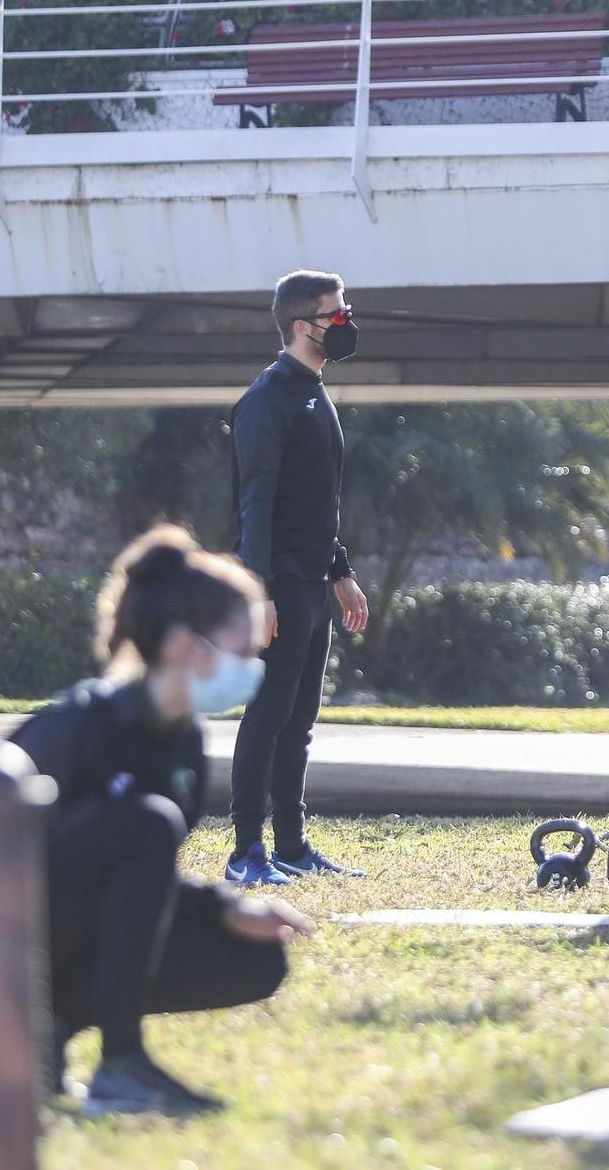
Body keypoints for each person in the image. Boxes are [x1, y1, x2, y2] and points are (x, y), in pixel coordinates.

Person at [0, 526, 313, 1116]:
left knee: (255, 957)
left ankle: (48, 1034)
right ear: (187, 646)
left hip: (65, 930)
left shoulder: (185, 745)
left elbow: (136, 884)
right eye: (242, 650)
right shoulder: (77, 727)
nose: (253, 667)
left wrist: (225, 907)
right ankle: (120, 1067)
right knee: (149, 824)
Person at [227, 268, 370, 887]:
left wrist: (341, 573)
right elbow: (256, 502)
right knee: (268, 713)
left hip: (313, 581)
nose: (344, 323)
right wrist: (257, 593)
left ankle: (290, 844)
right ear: (300, 325)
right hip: (280, 582)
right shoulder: (269, 398)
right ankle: (246, 852)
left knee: (301, 717)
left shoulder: (316, 393)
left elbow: (315, 503)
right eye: (333, 315)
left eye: (345, 311)